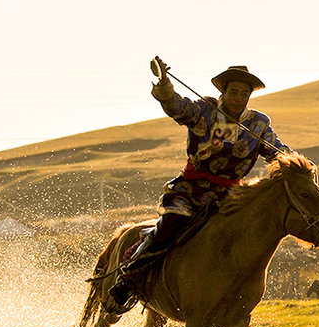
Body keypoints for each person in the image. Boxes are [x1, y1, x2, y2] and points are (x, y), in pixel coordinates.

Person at [108, 57, 291, 308]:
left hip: (230, 199)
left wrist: (298, 166)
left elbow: (277, 150)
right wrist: (164, 84)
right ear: (223, 92)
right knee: (168, 228)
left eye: (244, 93)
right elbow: (176, 107)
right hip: (190, 191)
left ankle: (227, 304)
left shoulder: (258, 124)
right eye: (233, 92)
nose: (239, 97)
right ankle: (128, 280)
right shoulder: (204, 110)